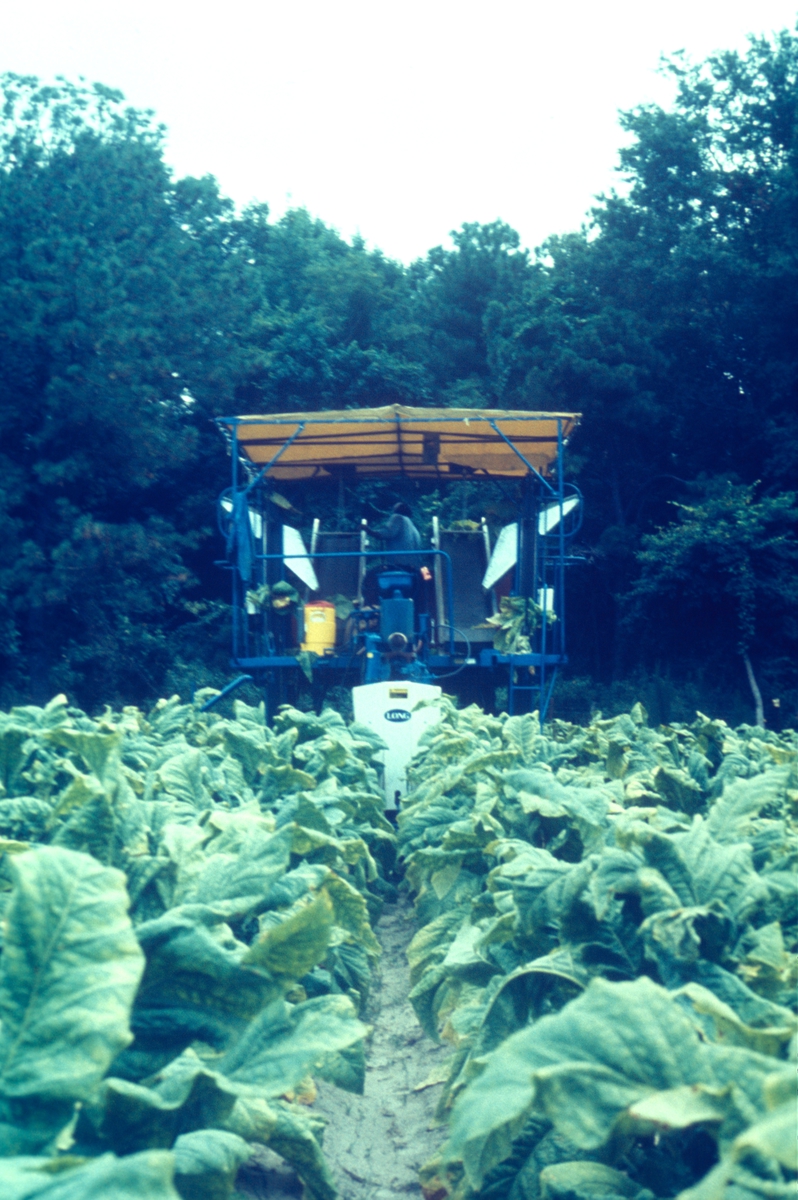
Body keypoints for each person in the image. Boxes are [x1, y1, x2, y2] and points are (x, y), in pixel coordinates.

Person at [369, 501, 421, 568]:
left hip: (399, 565)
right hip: (414, 566)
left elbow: (387, 533)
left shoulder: (398, 518)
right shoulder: (413, 527)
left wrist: (369, 531)